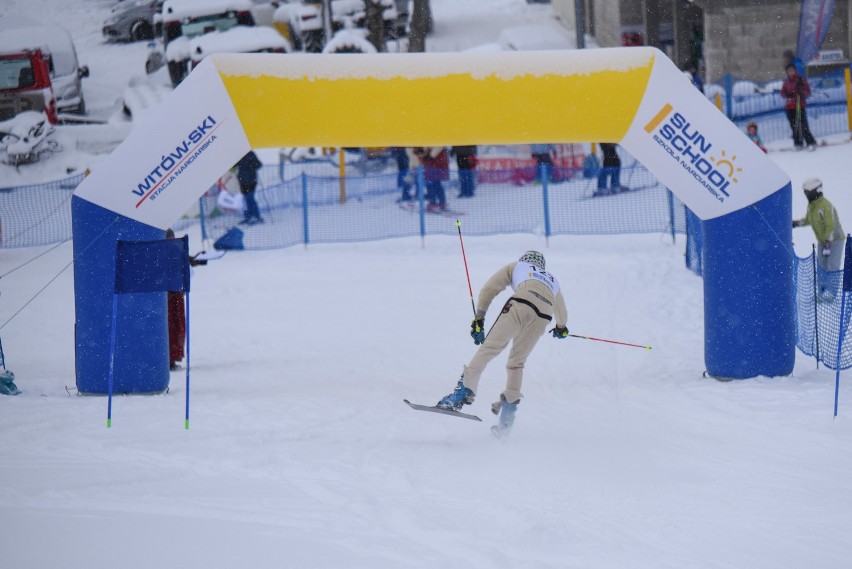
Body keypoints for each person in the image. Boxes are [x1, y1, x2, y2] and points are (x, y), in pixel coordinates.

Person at [436, 250, 569, 437]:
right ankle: (507, 419)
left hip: (521, 303)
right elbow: (561, 312)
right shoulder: (552, 279)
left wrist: (479, 319)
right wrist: (561, 328)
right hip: (543, 316)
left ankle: (462, 394)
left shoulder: (517, 266)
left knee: (489, 348)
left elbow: (489, 289)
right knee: (517, 363)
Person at [793, 178, 844, 298]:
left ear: (813, 191)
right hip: (823, 242)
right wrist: (795, 223)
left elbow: (830, 225)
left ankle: (831, 294)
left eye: (807, 192)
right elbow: (808, 220)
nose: (805, 194)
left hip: (834, 241)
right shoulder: (812, 206)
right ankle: (822, 293)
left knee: (832, 267)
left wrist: (828, 241)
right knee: (821, 267)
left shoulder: (825, 205)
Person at [166, 229, 207, 371]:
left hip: (175, 294)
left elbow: (178, 255)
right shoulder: (157, 247)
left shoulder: (172, 248)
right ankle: (168, 358)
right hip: (167, 296)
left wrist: (193, 260)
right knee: (170, 326)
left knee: (176, 326)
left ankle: (172, 357)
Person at [780, 64, 817, 151]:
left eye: (792, 70)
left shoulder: (801, 79)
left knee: (802, 125)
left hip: (799, 106)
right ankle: (798, 143)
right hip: (789, 107)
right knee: (794, 126)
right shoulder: (786, 82)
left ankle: (811, 142)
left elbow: (808, 91)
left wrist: (801, 93)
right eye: (789, 71)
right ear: (787, 72)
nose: (791, 72)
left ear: (795, 70)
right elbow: (782, 93)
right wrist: (788, 95)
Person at [414, 146, 449, 212]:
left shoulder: (435, 146)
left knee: (431, 184)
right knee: (436, 184)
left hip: (433, 165)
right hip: (435, 165)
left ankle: (433, 203)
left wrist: (427, 155)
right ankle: (441, 203)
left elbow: (432, 151)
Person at [236, 150, 264, 224]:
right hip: (242, 181)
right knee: (245, 200)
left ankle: (256, 217)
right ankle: (248, 217)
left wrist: (252, 165)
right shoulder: (237, 154)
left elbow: (259, 165)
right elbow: (234, 166)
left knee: (250, 198)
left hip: (251, 181)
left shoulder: (250, 153)